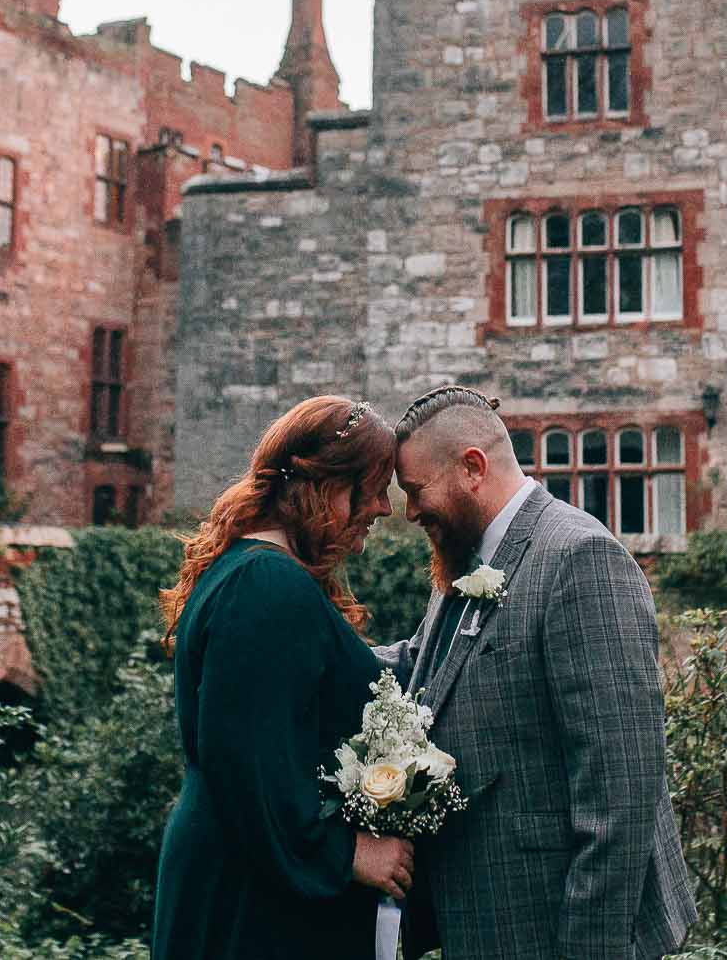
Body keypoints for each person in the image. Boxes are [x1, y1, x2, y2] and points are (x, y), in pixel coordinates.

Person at [387, 385, 695, 960]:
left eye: (415, 490)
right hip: (491, 925)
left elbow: (621, 790)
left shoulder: (580, 560)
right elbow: (422, 662)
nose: (409, 511)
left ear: (472, 468)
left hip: (548, 928)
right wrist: (311, 644)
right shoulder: (471, 556)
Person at [152, 394, 417, 960]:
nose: (382, 508)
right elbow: (249, 764)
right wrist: (348, 853)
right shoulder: (266, 587)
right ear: (321, 485)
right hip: (252, 898)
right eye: (369, 489)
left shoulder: (260, 575)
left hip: (247, 877)